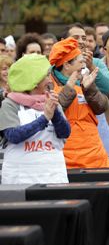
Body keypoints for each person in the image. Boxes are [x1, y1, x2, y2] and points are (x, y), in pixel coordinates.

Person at [0, 54, 71, 184]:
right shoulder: (9, 104)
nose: (50, 80)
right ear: (33, 79)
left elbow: (64, 133)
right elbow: (13, 135)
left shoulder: (51, 100)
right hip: (21, 178)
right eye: (46, 75)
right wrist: (44, 119)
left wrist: (54, 113)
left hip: (53, 175)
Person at [49, 38, 109, 169]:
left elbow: (102, 107)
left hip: (94, 151)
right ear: (66, 65)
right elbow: (52, 111)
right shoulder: (48, 84)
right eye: (80, 61)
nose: (84, 65)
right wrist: (69, 87)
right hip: (65, 151)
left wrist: (90, 89)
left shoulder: (85, 80)